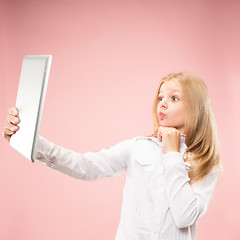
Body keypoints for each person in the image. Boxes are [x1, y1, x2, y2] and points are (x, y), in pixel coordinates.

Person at [3, 72, 223, 240]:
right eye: (160, 97)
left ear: (196, 108)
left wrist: (172, 153)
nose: (162, 103)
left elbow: (184, 216)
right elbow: (85, 166)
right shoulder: (137, 148)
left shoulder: (205, 161)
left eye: (174, 98)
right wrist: (32, 141)